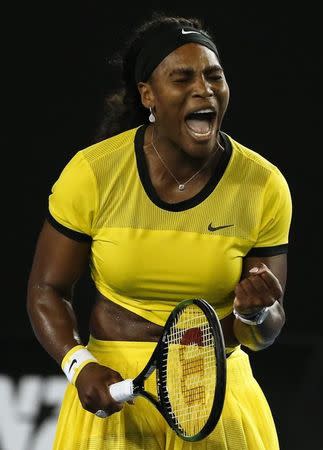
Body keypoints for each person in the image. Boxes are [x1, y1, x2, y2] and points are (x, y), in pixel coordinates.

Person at [27, 11, 292, 450]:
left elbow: (262, 334)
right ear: (148, 95)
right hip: (115, 392)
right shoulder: (93, 173)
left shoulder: (263, 184)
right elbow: (46, 288)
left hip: (216, 395)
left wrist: (255, 313)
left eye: (214, 76)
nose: (203, 89)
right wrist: (79, 364)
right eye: (182, 78)